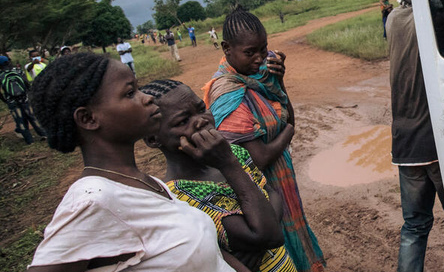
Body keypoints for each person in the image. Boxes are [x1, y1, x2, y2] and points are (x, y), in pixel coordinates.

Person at [26, 53, 235, 272]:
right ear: (88, 119)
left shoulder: (143, 182)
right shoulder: (93, 201)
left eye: (138, 88)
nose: (148, 98)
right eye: (130, 93)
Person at [203, 7, 325, 272]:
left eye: (263, 48)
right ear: (226, 48)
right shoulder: (227, 93)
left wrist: (279, 82)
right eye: (250, 52)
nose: (259, 58)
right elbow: (259, 158)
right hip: (257, 194)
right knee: (276, 252)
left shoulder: (260, 78)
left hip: (279, 181)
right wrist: (288, 132)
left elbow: (286, 114)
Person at [142, 79, 297, 272]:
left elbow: (272, 194)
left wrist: (261, 236)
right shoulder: (179, 196)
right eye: (183, 121)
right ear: (153, 139)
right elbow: (270, 235)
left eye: (201, 109)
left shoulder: (234, 152)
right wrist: (228, 165)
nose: (201, 120)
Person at [385, 0, 444, 272]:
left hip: (404, 143)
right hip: (434, 143)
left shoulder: (393, 20)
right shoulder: (435, 22)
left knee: (414, 226)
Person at [0, 55, 46, 144]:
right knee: (32, 116)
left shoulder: (1, 75)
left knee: (19, 119)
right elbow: (26, 83)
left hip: (12, 101)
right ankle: (43, 134)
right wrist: (28, 94)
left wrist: (5, 100)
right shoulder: (18, 71)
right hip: (24, 98)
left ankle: (29, 141)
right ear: (8, 62)